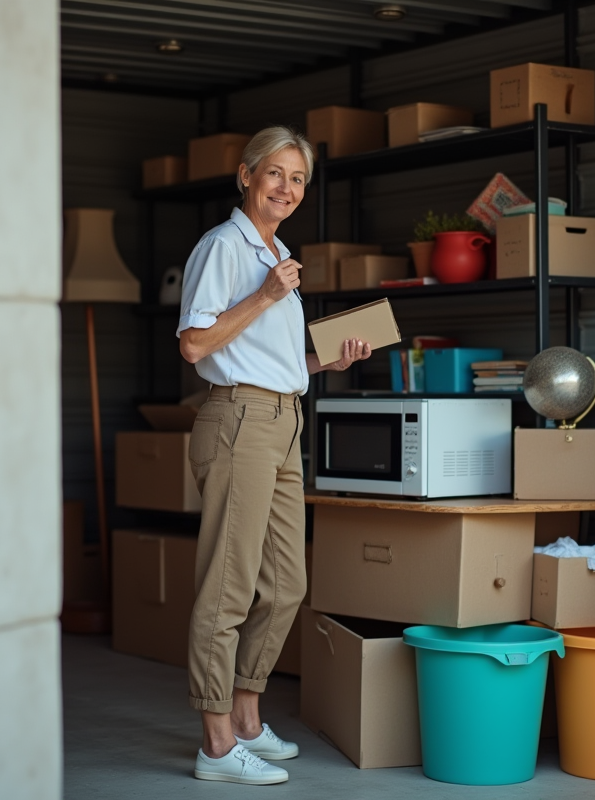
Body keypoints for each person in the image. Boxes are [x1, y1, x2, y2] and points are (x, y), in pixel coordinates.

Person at [177, 126, 372, 786]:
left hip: (284, 422)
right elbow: (196, 346)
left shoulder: (278, 250)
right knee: (228, 585)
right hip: (239, 423)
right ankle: (215, 743)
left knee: (288, 583)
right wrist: (264, 294)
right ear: (245, 175)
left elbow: (276, 361)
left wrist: (328, 361)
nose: (286, 188)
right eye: (275, 174)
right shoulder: (224, 248)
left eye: (298, 180)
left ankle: (249, 721)